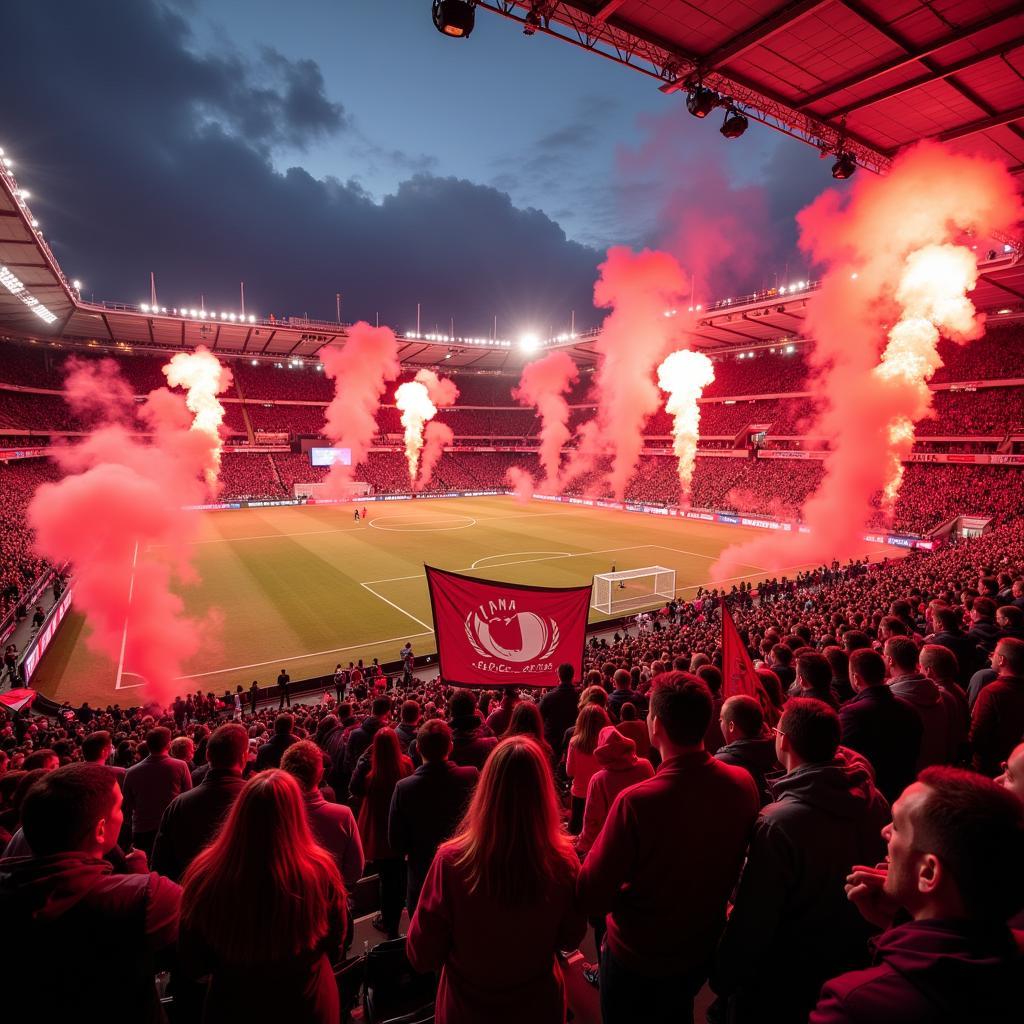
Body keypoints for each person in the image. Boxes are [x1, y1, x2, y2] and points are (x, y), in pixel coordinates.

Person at [578, 672, 759, 1023]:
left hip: (637, 956)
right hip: (702, 947)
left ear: (656, 724)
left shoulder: (636, 803)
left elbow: (591, 893)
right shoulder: (742, 783)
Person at [714, 698, 890, 1023]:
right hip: (854, 959)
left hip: (788, 977)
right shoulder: (874, 798)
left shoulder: (777, 824)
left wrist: (725, 976)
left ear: (784, 740)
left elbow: (755, 915)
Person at [811, 767, 1024, 1023]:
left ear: (928, 872)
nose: (885, 831)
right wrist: (901, 923)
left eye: (898, 826)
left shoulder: (852, 1005)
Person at [407, 736, 585, 1024]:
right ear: (544, 792)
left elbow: (420, 954)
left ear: (486, 789)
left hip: (466, 1010)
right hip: (539, 1007)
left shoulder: (451, 861)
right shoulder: (563, 860)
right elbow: (571, 935)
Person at [0, 765, 181, 1023]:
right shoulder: (147, 896)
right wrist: (139, 877)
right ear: (99, 830)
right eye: (119, 808)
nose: (123, 815)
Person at [179, 770, 347, 1024]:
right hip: (307, 1002)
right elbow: (336, 940)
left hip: (233, 1006)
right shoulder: (321, 870)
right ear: (296, 814)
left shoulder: (205, 873)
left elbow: (193, 962)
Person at [388, 719, 478, 914]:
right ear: (451, 746)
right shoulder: (470, 776)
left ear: (418, 748)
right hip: (467, 875)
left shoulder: (404, 788)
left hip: (423, 879)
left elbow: (396, 843)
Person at [152, 723, 248, 883]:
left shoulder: (178, 805)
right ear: (244, 756)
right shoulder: (260, 797)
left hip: (190, 898)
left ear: (208, 755)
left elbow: (160, 868)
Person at [350, 727, 412, 939]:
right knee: (400, 873)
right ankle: (396, 916)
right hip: (401, 828)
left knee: (387, 878)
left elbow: (354, 789)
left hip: (379, 832)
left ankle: (389, 922)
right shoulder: (406, 764)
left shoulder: (370, 773)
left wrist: (362, 760)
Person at [839, 649, 922, 804]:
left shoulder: (851, 714)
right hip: (905, 790)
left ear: (856, 678)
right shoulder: (909, 709)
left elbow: (844, 759)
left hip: (870, 796)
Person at [281, 740, 364, 892]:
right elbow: (355, 871)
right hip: (330, 898)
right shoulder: (342, 815)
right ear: (321, 774)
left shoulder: (274, 816)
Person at [576, 725, 653, 858]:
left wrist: (582, 847)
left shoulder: (599, 780)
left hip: (613, 846)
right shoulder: (645, 766)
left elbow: (592, 820)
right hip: (645, 840)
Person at [883, 637, 957, 769]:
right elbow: (954, 742)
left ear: (890, 660)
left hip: (906, 777)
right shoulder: (946, 696)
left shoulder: (887, 700)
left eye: (884, 655)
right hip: (939, 772)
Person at [122, 726, 192, 857]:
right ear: (169, 744)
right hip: (172, 828)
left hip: (142, 831)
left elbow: (127, 806)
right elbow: (187, 797)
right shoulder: (180, 766)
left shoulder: (131, 772)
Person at [970, 636, 1024, 777]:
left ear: (1002, 660)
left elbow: (977, 734)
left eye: (994, 652)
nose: (991, 655)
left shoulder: (992, 692)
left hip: (990, 767)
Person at [714, 694, 778, 806]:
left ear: (731, 726)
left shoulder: (723, 764)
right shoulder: (780, 751)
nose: (719, 723)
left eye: (721, 720)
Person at [565, 704, 610, 834]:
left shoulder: (574, 742)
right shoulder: (606, 743)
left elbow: (569, 771)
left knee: (577, 828)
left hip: (580, 792)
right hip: (601, 793)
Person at [539, 663, 579, 763]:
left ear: (558, 675)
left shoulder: (549, 697)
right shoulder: (580, 696)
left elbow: (539, 717)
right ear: (572, 676)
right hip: (574, 740)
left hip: (552, 742)